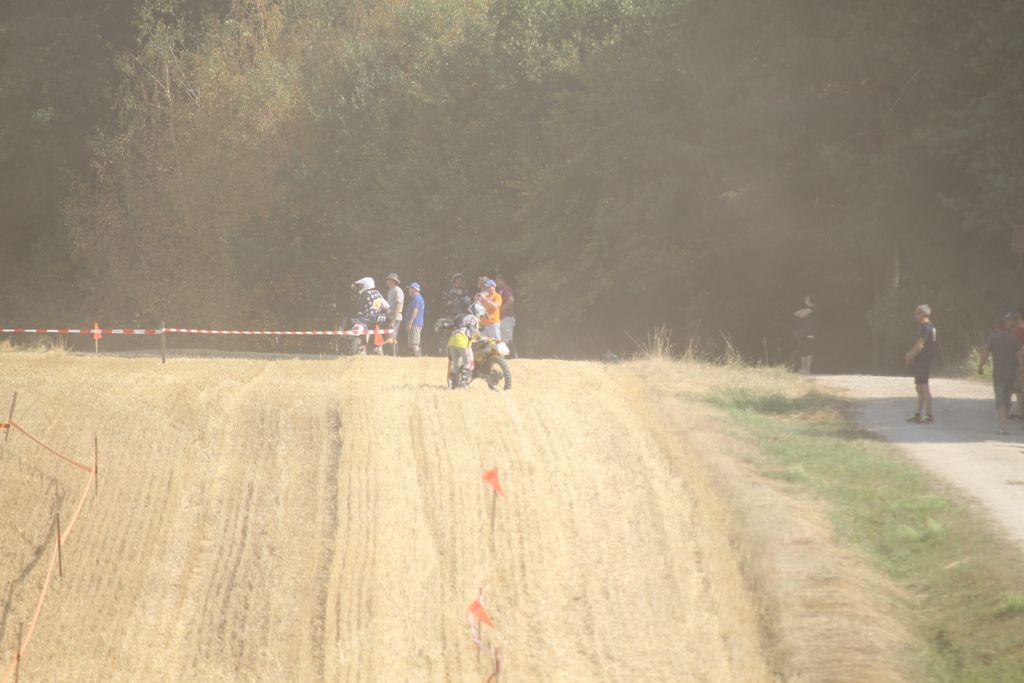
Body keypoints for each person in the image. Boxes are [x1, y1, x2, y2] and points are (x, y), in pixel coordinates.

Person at [978, 313, 1023, 435]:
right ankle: (1004, 425)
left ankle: (1003, 426)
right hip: (1012, 374)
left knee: (1000, 400)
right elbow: (1019, 358)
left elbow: (985, 354)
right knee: (1007, 400)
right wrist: (1022, 373)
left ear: (996, 326)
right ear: (1006, 326)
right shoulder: (1014, 340)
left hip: (999, 374)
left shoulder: (993, 338)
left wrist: (980, 366)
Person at [904, 304, 936, 423]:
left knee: (924, 387)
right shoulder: (929, 327)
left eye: (917, 313)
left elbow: (920, 345)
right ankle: (917, 414)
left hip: (924, 360)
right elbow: (918, 344)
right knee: (919, 387)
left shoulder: (926, 327)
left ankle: (929, 415)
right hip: (923, 360)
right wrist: (911, 354)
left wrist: (910, 355)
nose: (915, 315)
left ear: (923, 313)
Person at [447, 303, 484, 389]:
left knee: (456, 365)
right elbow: (474, 331)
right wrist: (480, 338)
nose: (480, 317)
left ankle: (453, 385)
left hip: (452, 341)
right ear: (477, 312)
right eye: (480, 314)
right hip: (462, 341)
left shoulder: (460, 316)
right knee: (469, 363)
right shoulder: (473, 318)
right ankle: (463, 385)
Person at [792, 295, 815, 374]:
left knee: (808, 351)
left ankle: (807, 369)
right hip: (803, 333)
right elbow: (796, 314)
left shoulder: (813, 308)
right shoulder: (807, 309)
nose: (805, 299)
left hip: (809, 333)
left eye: (807, 298)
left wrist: (801, 312)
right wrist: (801, 311)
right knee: (803, 350)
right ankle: (803, 368)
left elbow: (800, 315)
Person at [496, 274, 516, 356]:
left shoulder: (506, 289)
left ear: (503, 281)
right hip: (503, 317)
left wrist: (502, 309)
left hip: (507, 316)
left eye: (498, 280)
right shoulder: (501, 290)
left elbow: (511, 299)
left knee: (507, 337)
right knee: (503, 337)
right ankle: (506, 355)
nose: (497, 282)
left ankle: (513, 355)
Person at [384, 273, 404, 351]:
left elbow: (398, 305)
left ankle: (396, 356)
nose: (386, 281)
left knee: (391, 338)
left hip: (395, 317)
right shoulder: (390, 291)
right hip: (390, 316)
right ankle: (393, 355)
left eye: (388, 280)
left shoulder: (397, 290)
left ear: (392, 281)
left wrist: (393, 320)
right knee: (389, 337)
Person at [405, 282, 425, 357]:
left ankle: (418, 359)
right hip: (414, 324)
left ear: (414, 289)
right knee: (412, 344)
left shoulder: (417, 298)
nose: (409, 290)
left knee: (415, 343)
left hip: (415, 324)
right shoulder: (416, 298)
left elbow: (415, 311)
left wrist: (410, 322)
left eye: (410, 289)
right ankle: (414, 359)